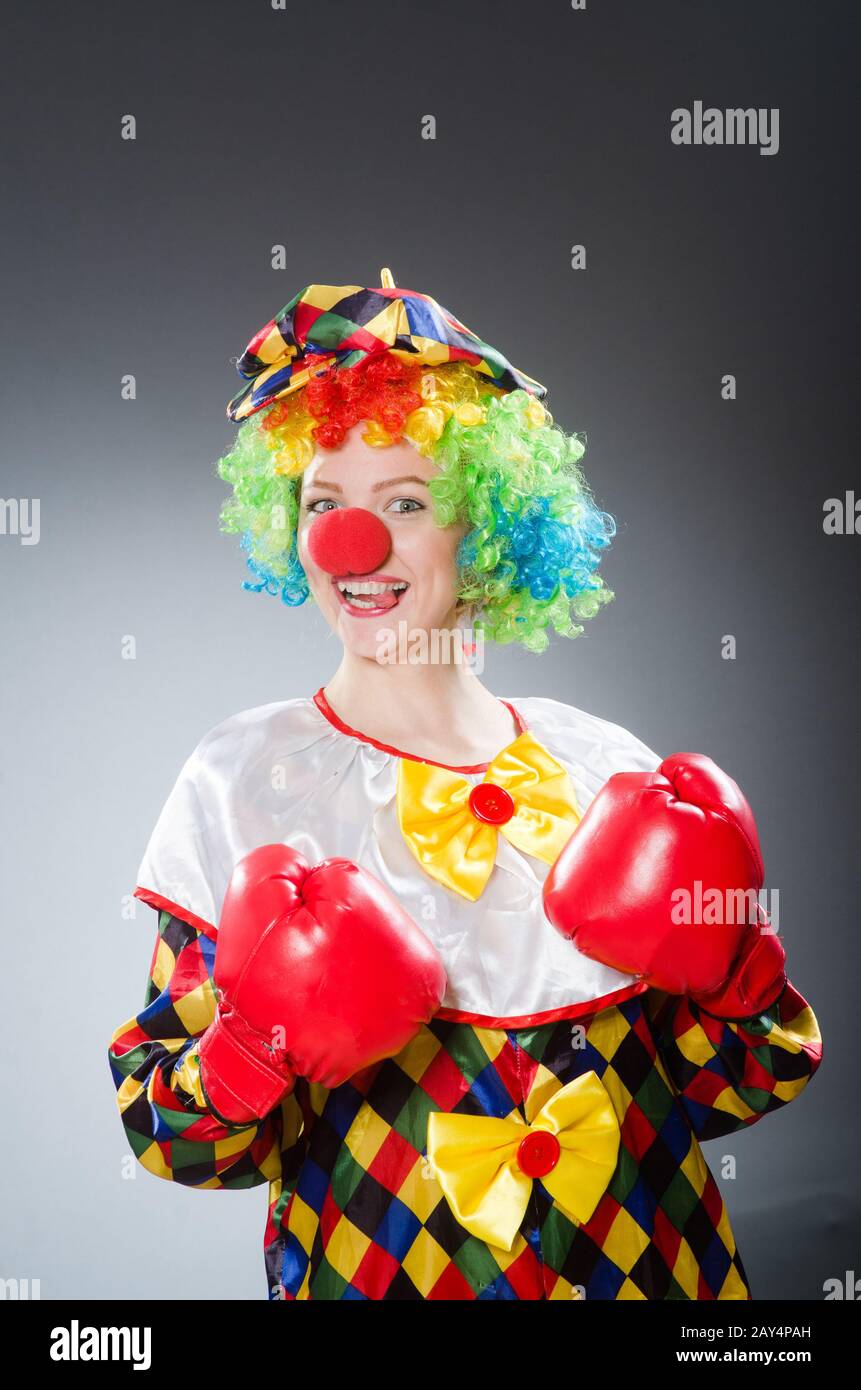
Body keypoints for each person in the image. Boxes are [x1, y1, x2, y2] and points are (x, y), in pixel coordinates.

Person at [108, 269, 822, 1301]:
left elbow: (728, 1089)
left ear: (485, 526)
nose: (355, 542)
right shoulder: (244, 782)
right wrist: (253, 1045)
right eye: (324, 502)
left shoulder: (605, 767)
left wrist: (736, 970)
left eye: (404, 501)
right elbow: (175, 1140)